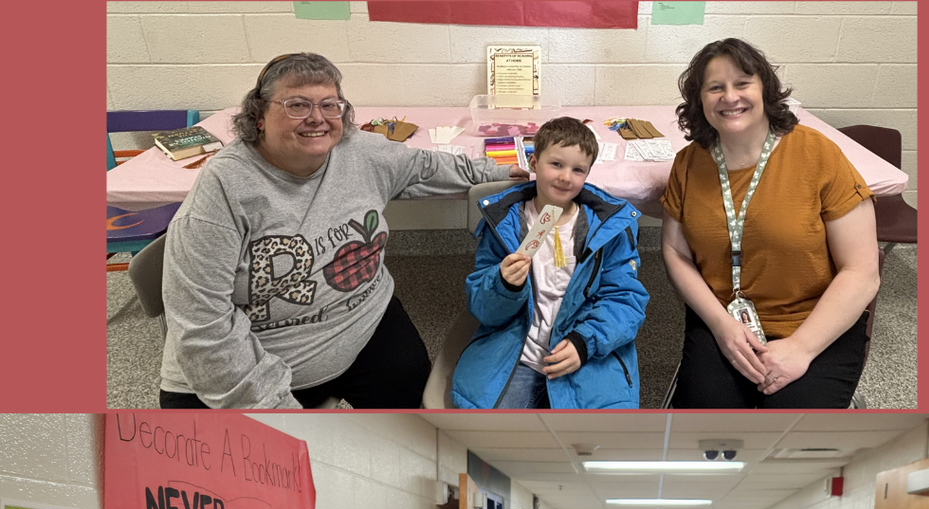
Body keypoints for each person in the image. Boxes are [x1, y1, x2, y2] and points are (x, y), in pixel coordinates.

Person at [160, 52, 526, 410]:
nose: (316, 118)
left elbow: (426, 166)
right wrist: (276, 411)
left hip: (363, 321)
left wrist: (499, 173)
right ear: (258, 116)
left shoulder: (358, 151)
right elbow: (204, 328)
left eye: (330, 105)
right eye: (297, 105)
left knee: (415, 430)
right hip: (261, 362)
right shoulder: (224, 189)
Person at [661, 39, 880, 409]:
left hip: (814, 321)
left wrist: (800, 348)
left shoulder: (817, 154)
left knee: (792, 429)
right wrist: (720, 325)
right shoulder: (688, 163)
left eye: (742, 83)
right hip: (726, 320)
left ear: (765, 87)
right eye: (715, 87)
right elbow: (673, 251)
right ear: (700, 100)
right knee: (705, 428)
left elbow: (862, 270)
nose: (730, 97)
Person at [452, 117, 649, 409]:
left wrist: (585, 342)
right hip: (517, 352)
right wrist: (503, 284)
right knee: (492, 440)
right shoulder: (504, 224)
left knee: (592, 446)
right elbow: (483, 307)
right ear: (533, 162)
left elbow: (625, 299)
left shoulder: (610, 229)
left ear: (588, 173)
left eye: (578, 170)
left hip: (584, 349)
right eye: (556, 164)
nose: (566, 177)